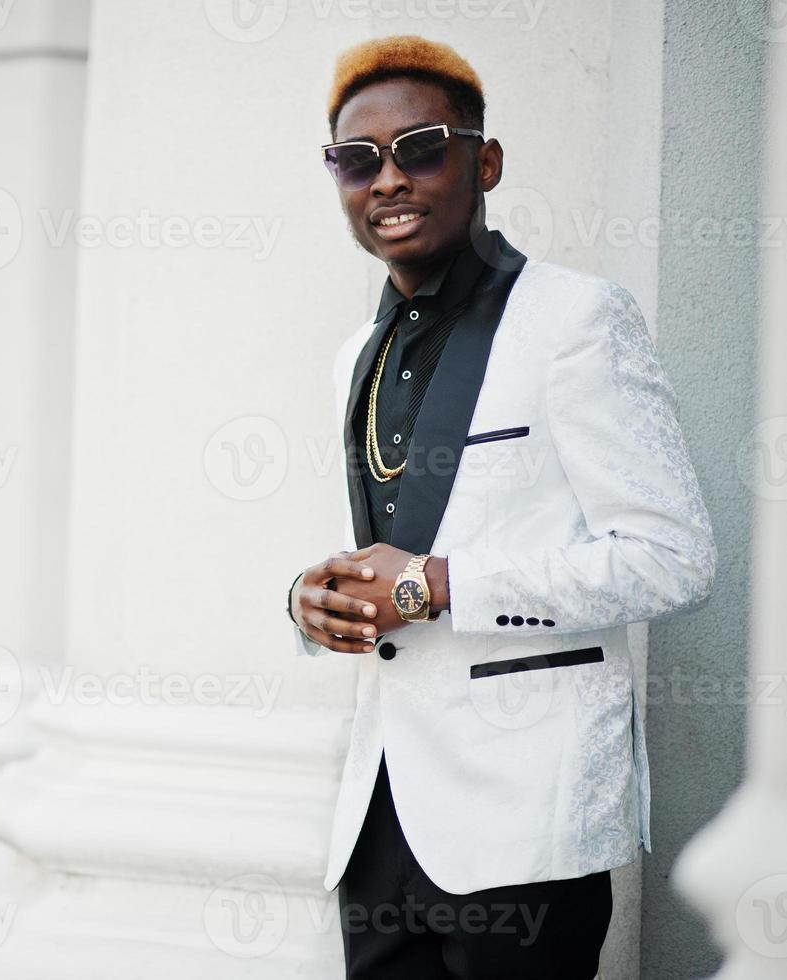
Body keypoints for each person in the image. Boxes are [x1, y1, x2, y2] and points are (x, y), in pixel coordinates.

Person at [285, 34, 716, 979]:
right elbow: (403, 548)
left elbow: (671, 557)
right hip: (381, 817)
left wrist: (436, 585)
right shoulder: (355, 352)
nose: (387, 179)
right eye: (356, 160)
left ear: (483, 162)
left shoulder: (575, 319)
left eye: (420, 147)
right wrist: (318, 602)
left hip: (523, 819)